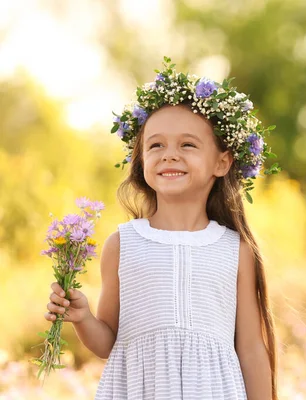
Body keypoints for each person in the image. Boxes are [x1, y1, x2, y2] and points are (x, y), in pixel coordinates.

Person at [43, 57, 280, 399]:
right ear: (140, 160)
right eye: (156, 145)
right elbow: (108, 342)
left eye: (187, 144)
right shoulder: (123, 244)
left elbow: (252, 349)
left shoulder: (234, 249)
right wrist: (82, 317)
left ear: (222, 162)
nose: (169, 155)